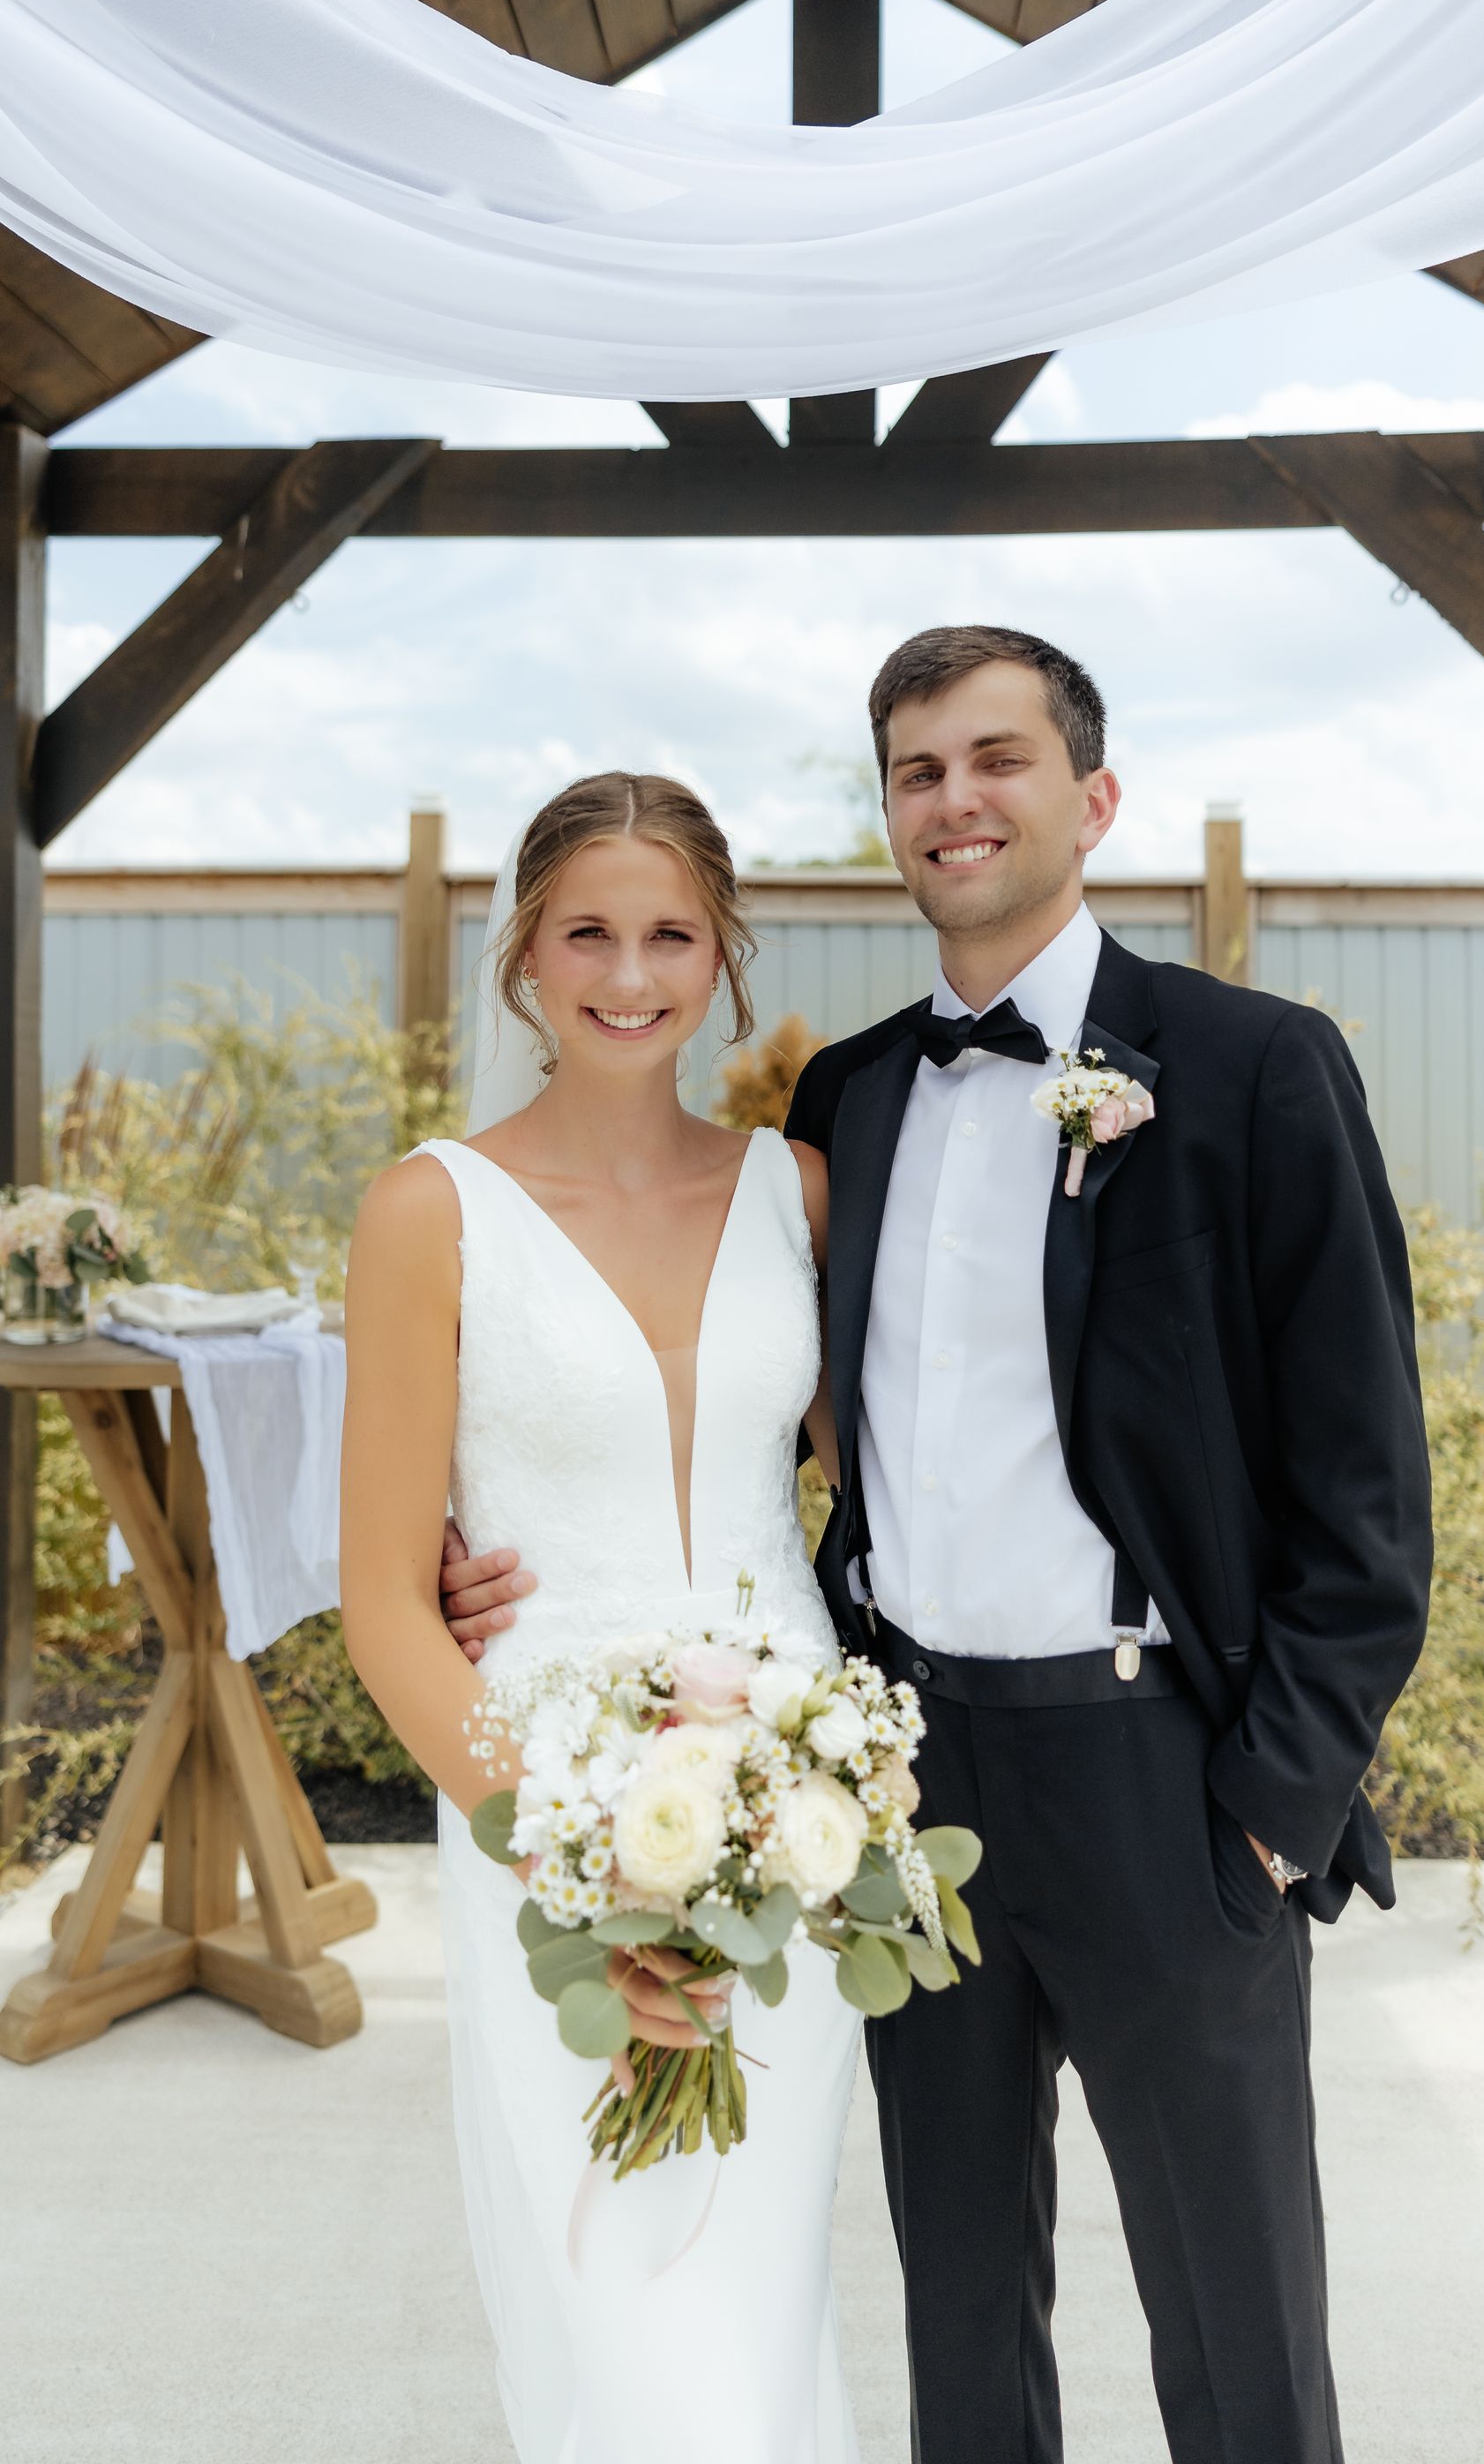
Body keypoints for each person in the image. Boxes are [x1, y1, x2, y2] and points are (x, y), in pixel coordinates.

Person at [444, 624, 1434, 2464]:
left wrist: (1275, 1800)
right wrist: (482, 1545)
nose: (954, 799)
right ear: (891, 817)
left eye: (998, 759)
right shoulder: (853, 1103)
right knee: (962, 2316)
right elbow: (722, 1406)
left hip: (1170, 1777)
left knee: (1239, 2326)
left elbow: (1368, 1491)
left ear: (1093, 798)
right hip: (901, 1792)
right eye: (917, 770)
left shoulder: (1254, 1069)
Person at [339, 772, 862, 2464]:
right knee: (615, 2308)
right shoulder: (430, 1211)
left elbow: (879, 1500)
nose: (629, 974)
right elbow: (382, 1609)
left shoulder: (801, 1197)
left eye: (670, 935)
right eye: (589, 932)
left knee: (760, 2300)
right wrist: (578, 1870)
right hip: (543, 1806)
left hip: (799, 1805)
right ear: (521, 957)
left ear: (724, 957)